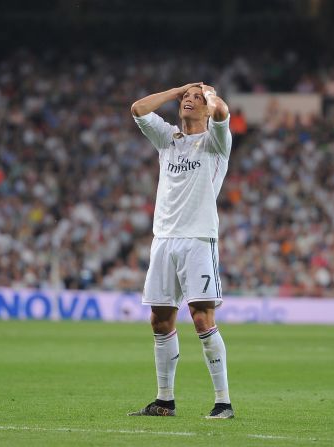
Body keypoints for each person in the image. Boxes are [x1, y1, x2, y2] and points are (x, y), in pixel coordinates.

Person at [127, 83, 234, 419]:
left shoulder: (216, 143)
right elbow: (138, 109)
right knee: (160, 321)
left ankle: (223, 402)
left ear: (208, 106)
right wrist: (177, 91)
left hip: (198, 239)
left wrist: (210, 95)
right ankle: (164, 401)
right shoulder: (168, 139)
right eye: (187, 98)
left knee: (202, 319)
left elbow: (222, 114)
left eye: (196, 98)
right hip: (164, 240)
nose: (190, 100)